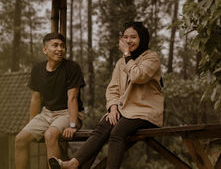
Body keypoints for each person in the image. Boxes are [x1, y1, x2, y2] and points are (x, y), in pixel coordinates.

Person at [49, 21, 164, 169]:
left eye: (133, 37)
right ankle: (73, 163)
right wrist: (113, 108)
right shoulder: (121, 63)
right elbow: (112, 89)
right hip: (124, 111)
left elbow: (138, 76)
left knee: (117, 132)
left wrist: (127, 55)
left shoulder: (151, 58)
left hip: (145, 112)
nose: (129, 41)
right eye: (126, 37)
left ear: (142, 38)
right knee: (102, 127)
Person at [15, 32, 86, 169]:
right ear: (45, 50)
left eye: (62, 46)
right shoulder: (37, 69)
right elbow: (36, 98)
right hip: (47, 113)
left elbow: (72, 98)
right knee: (20, 140)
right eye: (55, 45)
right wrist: (31, 123)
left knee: (50, 135)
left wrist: (72, 125)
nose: (60, 49)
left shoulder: (72, 68)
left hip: (68, 113)